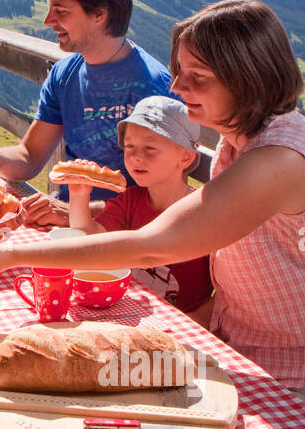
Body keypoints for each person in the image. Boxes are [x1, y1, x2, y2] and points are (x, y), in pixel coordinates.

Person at [0, 0, 305, 429]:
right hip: (245, 360)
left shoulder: (279, 161)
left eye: (199, 77)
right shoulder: (245, 142)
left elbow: (156, 244)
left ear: (250, 78)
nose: (177, 85)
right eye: (180, 71)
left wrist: (10, 256)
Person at [0, 0, 173, 225]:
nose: (47, 20)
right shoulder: (64, 74)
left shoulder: (152, 87)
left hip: (120, 238)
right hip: (66, 223)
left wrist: (74, 212)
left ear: (99, 15)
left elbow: (159, 198)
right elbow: (30, 156)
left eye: (60, 11)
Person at [66, 96, 212, 315]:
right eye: (129, 147)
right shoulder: (130, 200)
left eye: (150, 148)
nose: (135, 157)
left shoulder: (204, 212)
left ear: (185, 158)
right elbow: (87, 239)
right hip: (129, 310)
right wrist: (78, 195)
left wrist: (199, 320)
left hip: (183, 321)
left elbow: (227, 289)